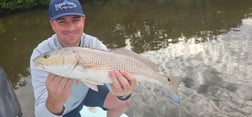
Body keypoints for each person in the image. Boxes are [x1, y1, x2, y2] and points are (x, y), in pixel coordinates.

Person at [29, 0, 137, 117]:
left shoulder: (93, 43)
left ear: (83, 21)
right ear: (53, 25)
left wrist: (123, 93)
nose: (70, 28)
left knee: (124, 101)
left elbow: (111, 72)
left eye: (76, 20)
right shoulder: (40, 55)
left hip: (86, 91)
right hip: (65, 108)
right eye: (61, 22)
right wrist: (55, 101)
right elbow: (40, 114)